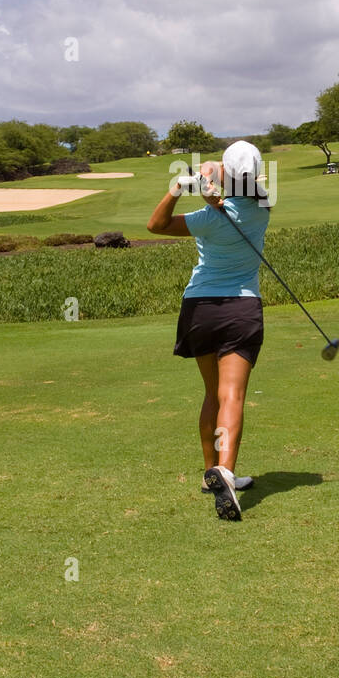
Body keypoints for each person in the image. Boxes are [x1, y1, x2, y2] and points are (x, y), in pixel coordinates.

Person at [146, 140, 270, 521]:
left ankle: (209, 475)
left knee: (211, 394)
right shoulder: (264, 206)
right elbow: (236, 175)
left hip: (200, 309)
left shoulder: (207, 219)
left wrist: (185, 186)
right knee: (231, 394)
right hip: (242, 309)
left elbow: (156, 225)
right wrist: (212, 191)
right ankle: (226, 474)